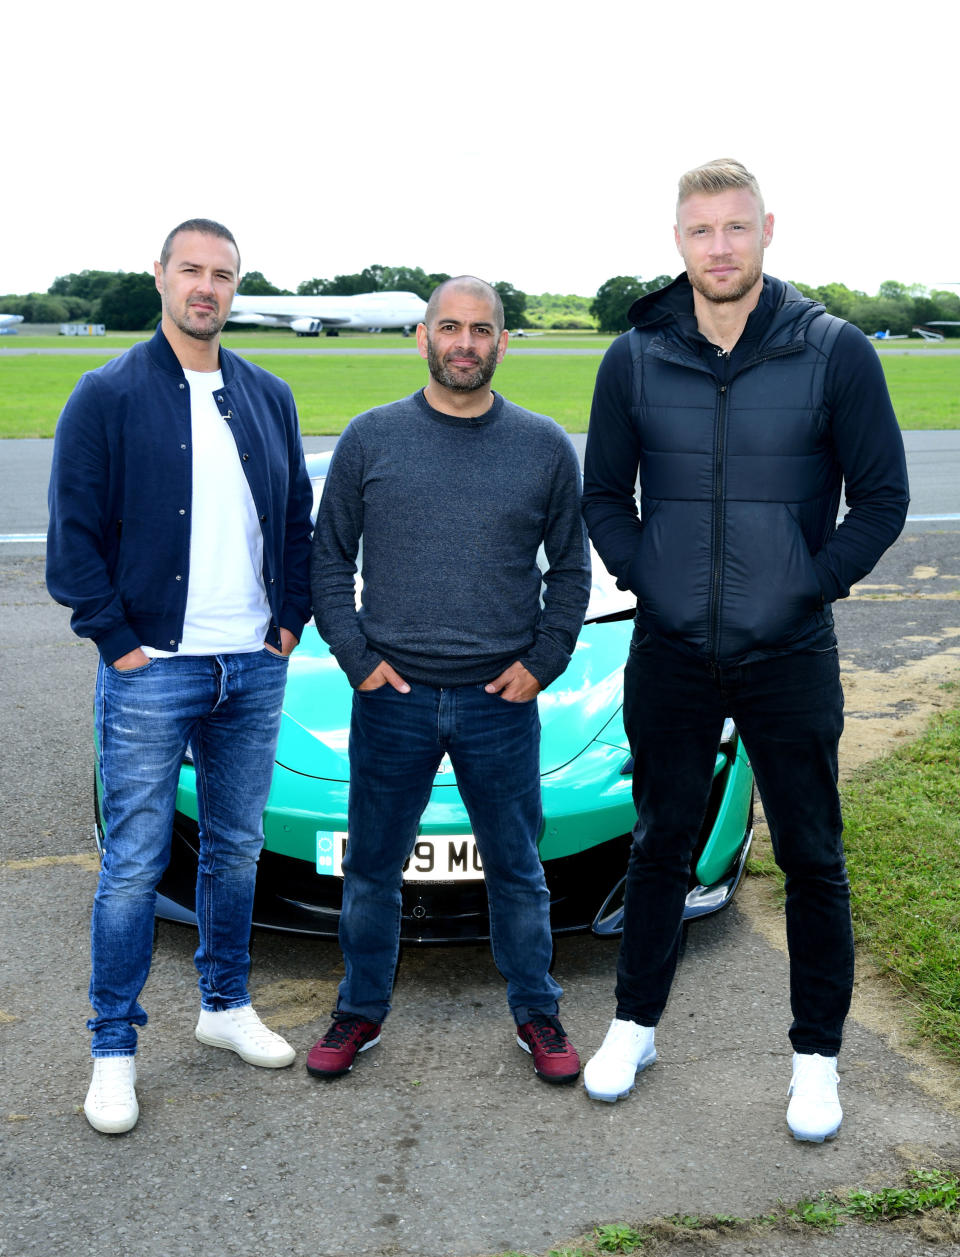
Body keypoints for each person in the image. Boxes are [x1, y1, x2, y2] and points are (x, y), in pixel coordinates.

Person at [581, 160, 909, 1141]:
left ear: (767, 229)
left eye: (734, 228)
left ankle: (817, 1061)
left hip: (790, 650)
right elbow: (604, 495)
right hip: (673, 650)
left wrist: (802, 584)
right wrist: (657, 579)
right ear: (677, 240)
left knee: (813, 858)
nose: (718, 247)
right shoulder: (635, 355)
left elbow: (882, 498)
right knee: (658, 846)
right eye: (699, 232)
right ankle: (634, 1025)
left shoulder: (834, 350)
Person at [47, 218, 314, 1134]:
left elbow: (295, 524)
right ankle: (113, 1047)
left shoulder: (268, 394)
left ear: (237, 287)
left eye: (224, 275)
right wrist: (118, 640)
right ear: (159, 276)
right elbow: (71, 541)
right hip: (153, 666)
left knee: (237, 848)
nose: (208, 287)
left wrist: (286, 627)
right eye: (192, 270)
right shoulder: (107, 393)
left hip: (253, 662)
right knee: (133, 864)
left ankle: (224, 1004)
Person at [308, 276, 591, 1085]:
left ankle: (537, 1010)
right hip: (392, 699)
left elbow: (572, 568)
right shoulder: (371, 438)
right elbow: (328, 558)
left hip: (497, 702)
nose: (464, 342)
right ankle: (360, 1010)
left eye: (481, 329)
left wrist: (543, 662)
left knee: (517, 868)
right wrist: (358, 659)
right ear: (422, 337)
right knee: (371, 869)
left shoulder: (542, 445)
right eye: (449, 327)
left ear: (503, 342)